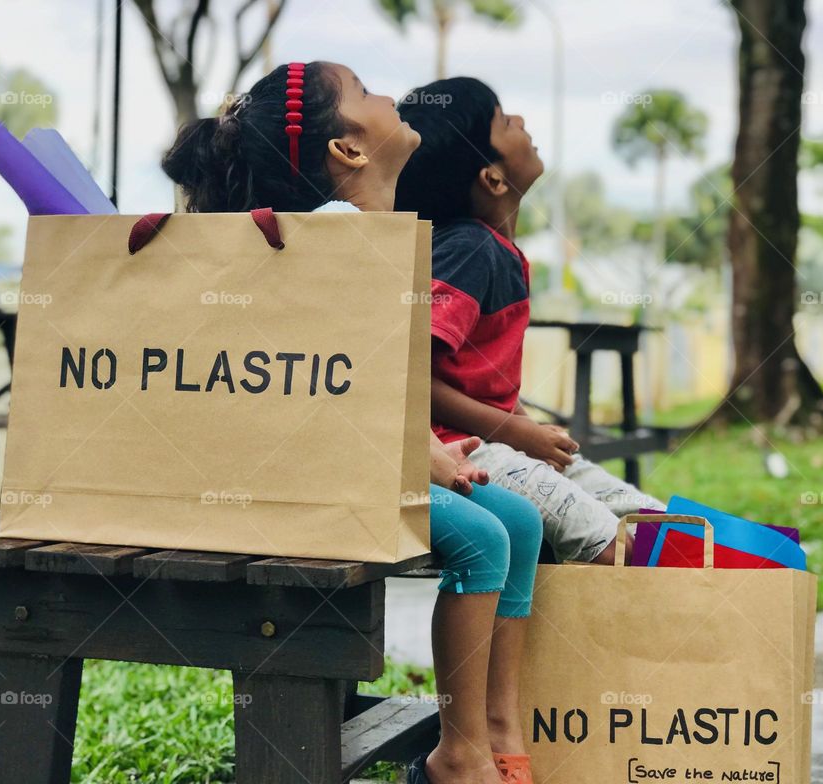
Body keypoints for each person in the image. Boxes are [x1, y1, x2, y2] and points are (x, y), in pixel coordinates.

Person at [163, 61, 543, 784]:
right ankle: (458, 755)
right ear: (349, 151)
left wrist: (424, 441)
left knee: (519, 522)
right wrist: (414, 450)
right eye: (367, 93)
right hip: (310, 477)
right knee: (486, 537)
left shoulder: (382, 234)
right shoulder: (331, 241)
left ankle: (500, 730)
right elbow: (311, 395)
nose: (390, 98)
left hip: (355, 464)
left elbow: (377, 379)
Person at [394, 77, 667, 566]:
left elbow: (474, 378)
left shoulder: (493, 251)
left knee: (655, 522)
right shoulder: (469, 251)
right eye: (503, 121)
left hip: (496, 440)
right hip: (459, 451)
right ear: (493, 179)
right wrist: (513, 431)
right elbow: (408, 375)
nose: (519, 121)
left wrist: (524, 423)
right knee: (610, 546)